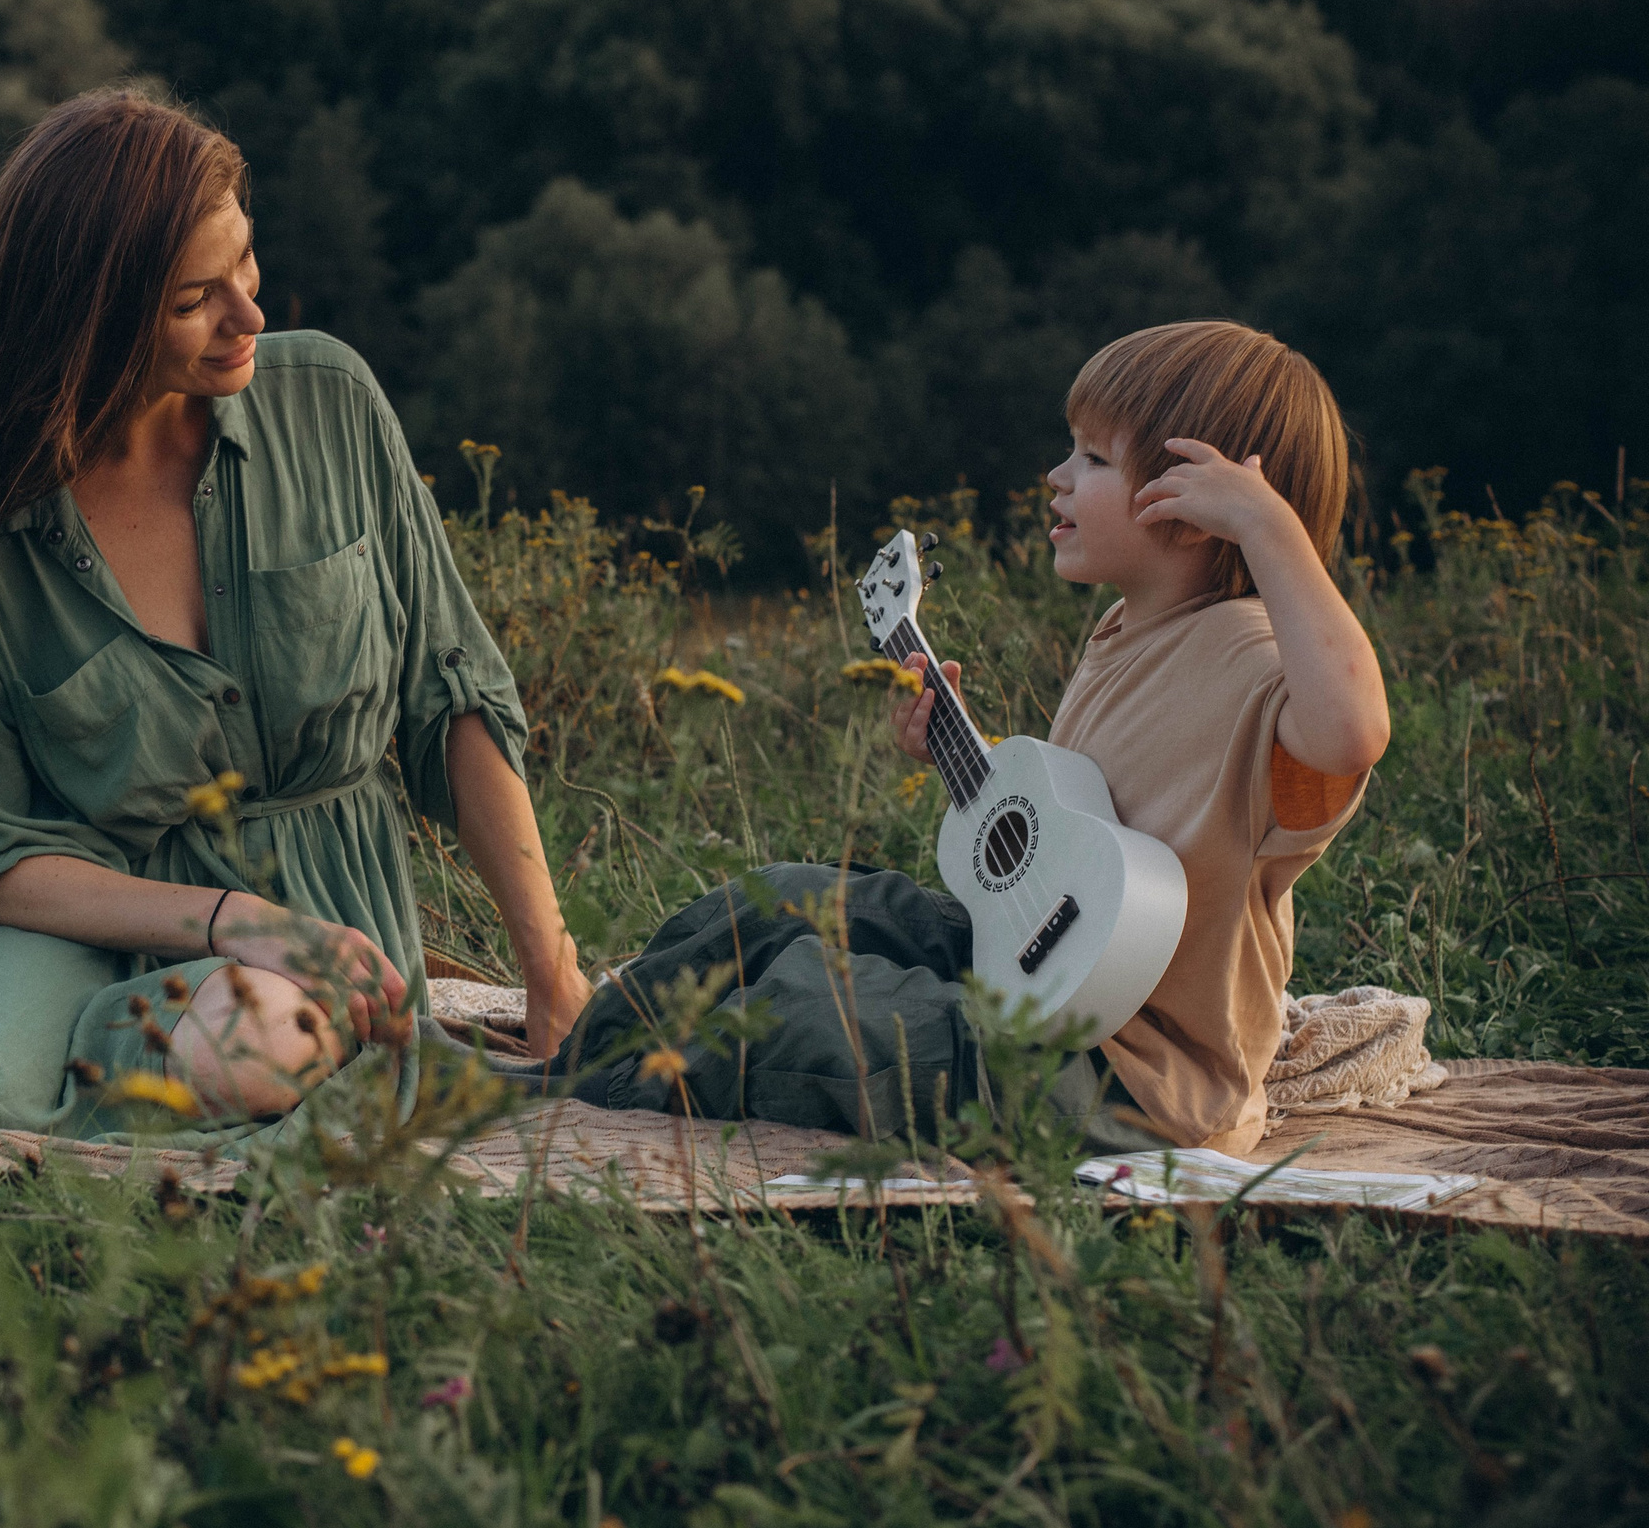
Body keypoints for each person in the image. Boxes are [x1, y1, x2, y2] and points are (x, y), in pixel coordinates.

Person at [0, 86, 591, 1143]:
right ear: (87, 318)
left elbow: (451, 698)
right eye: (193, 300)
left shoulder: (329, 402)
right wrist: (229, 921)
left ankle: (88, 1074)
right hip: (71, 920)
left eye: (247, 266)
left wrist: (549, 965)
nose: (249, 316)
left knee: (254, 1041)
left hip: (311, 937)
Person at [532, 320, 1389, 1155]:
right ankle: (569, 1056)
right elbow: (1085, 854)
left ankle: (574, 1099)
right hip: (1031, 979)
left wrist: (1271, 529)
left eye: (1094, 457)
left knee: (808, 1005)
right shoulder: (1123, 633)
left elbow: (1352, 731)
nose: (1057, 475)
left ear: (1198, 510)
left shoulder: (1260, 662)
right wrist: (957, 750)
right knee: (781, 900)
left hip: (1134, 1085)